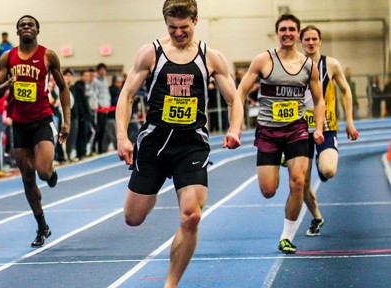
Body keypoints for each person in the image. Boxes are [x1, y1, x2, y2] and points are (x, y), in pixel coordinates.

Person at [115, 1, 243, 286]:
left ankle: (170, 284)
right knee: (132, 218)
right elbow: (126, 96)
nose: (178, 33)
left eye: (184, 27)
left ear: (195, 20)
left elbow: (234, 99)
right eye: (172, 28)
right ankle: (156, 184)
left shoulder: (211, 57)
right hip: (154, 144)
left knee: (191, 216)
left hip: (192, 144)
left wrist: (235, 128)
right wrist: (123, 138)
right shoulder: (151, 53)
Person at [236, 14, 325, 254]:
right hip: (268, 132)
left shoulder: (309, 66)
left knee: (298, 182)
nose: (287, 33)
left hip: (296, 130)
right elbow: (240, 91)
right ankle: (281, 159)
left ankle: (287, 236)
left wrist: (318, 128)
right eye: (283, 29)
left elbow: (318, 100)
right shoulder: (264, 60)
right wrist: (236, 125)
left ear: (298, 33)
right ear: (277, 32)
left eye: (292, 29)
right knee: (268, 191)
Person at [0, 15, 71, 247]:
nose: (27, 28)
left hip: (42, 120)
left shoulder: (48, 56)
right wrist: (6, 85)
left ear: (37, 30)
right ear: (17, 31)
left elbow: (63, 88)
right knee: (27, 179)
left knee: (43, 172)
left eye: (31, 25)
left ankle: (51, 172)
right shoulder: (8, 57)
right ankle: (42, 226)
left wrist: (67, 121)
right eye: (23, 25)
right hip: (19, 123)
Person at [299, 25, 359, 236]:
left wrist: (349, 121)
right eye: (307, 39)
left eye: (314, 39)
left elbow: (346, 90)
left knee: (328, 171)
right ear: (301, 42)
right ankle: (316, 217)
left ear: (320, 41)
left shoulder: (331, 64)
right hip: (300, 130)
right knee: (301, 183)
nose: (311, 42)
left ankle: (320, 160)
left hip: (326, 127)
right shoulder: (293, 65)